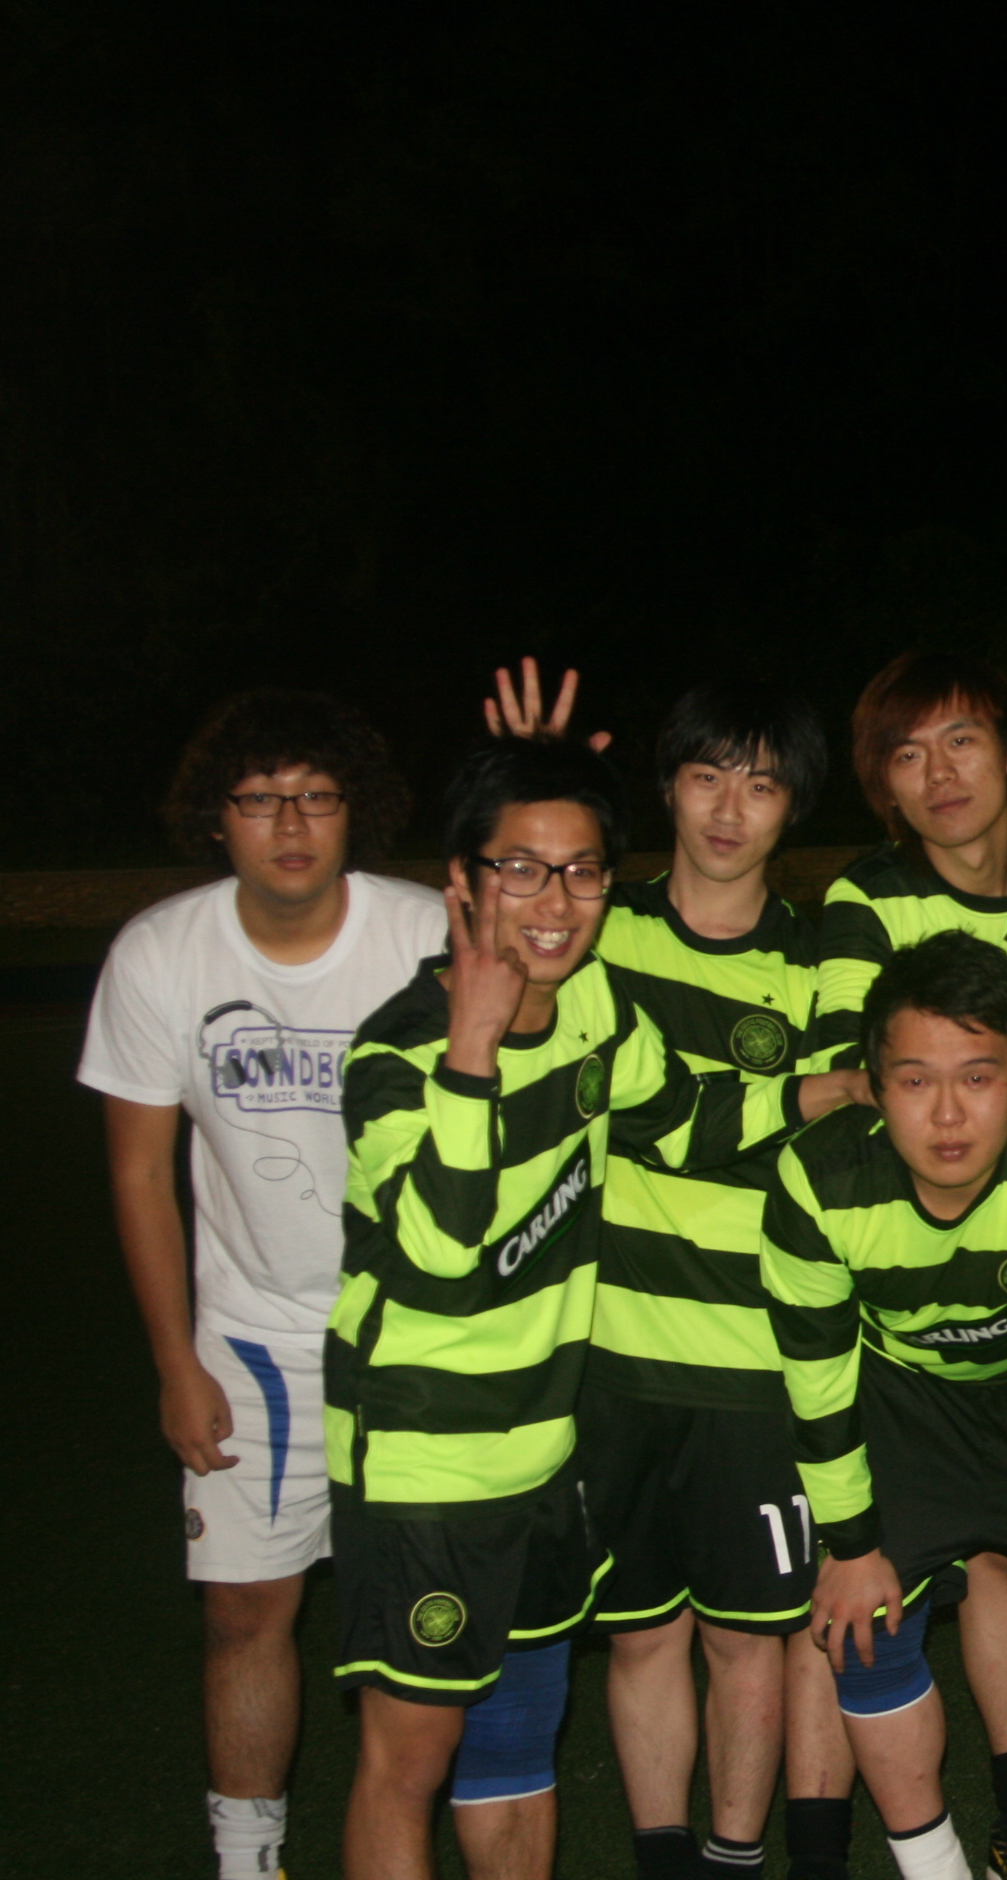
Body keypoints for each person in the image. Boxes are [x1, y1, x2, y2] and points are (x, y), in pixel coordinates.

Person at [327, 737, 859, 1880]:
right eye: (519, 869)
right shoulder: (396, 1053)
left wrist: (839, 1086)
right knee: (405, 1762)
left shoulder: (593, 1004)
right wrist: (472, 1050)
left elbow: (682, 1118)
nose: (554, 901)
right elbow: (442, 1255)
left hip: (546, 1455)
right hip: (426, 1466)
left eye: (579, 872)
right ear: (460, 882)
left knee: (519, 1746)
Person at [79, 689, 447, 1880]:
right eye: (259, 798)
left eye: (316, 796)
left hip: (420, 1336)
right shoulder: (160, 952)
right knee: (244, 1611)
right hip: (252, 1337)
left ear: (356, 810)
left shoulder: (422, 933)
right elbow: (140, 1172)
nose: (290, 823)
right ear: (216, 815)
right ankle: (248, 1858)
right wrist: (174, 1360)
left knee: (427, 1617)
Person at [761, 932, 1007, 1880]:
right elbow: (818, 1379)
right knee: (858, 1618)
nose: (946, 1114)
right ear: (871, 1085)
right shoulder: (818, 1176)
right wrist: (852, 1544)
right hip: (906, 1399)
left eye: (978, 1078)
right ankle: (933, 1865)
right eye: (913, 1080)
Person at [570, 681, 861, 1880]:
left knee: (749, 1641)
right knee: (641, 1635)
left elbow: (835, 1139)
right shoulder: (601, 931)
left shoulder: (817, 959)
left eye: (761, 783)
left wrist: (763, 1110)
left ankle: (734, 1856)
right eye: (706, 777)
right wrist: (787, 1098)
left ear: (794, 806)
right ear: (667, 787)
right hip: (611, 1355)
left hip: (756, 1362)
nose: (729, 809)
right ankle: (663, 1860)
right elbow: (611, 1096)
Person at [812, 650, 1007, 1068]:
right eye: (908, 755)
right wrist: (1004, 1044)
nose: (938, 772)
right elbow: (839, 1070)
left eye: (959, 741)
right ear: (886, 787)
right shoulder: (871, 899)